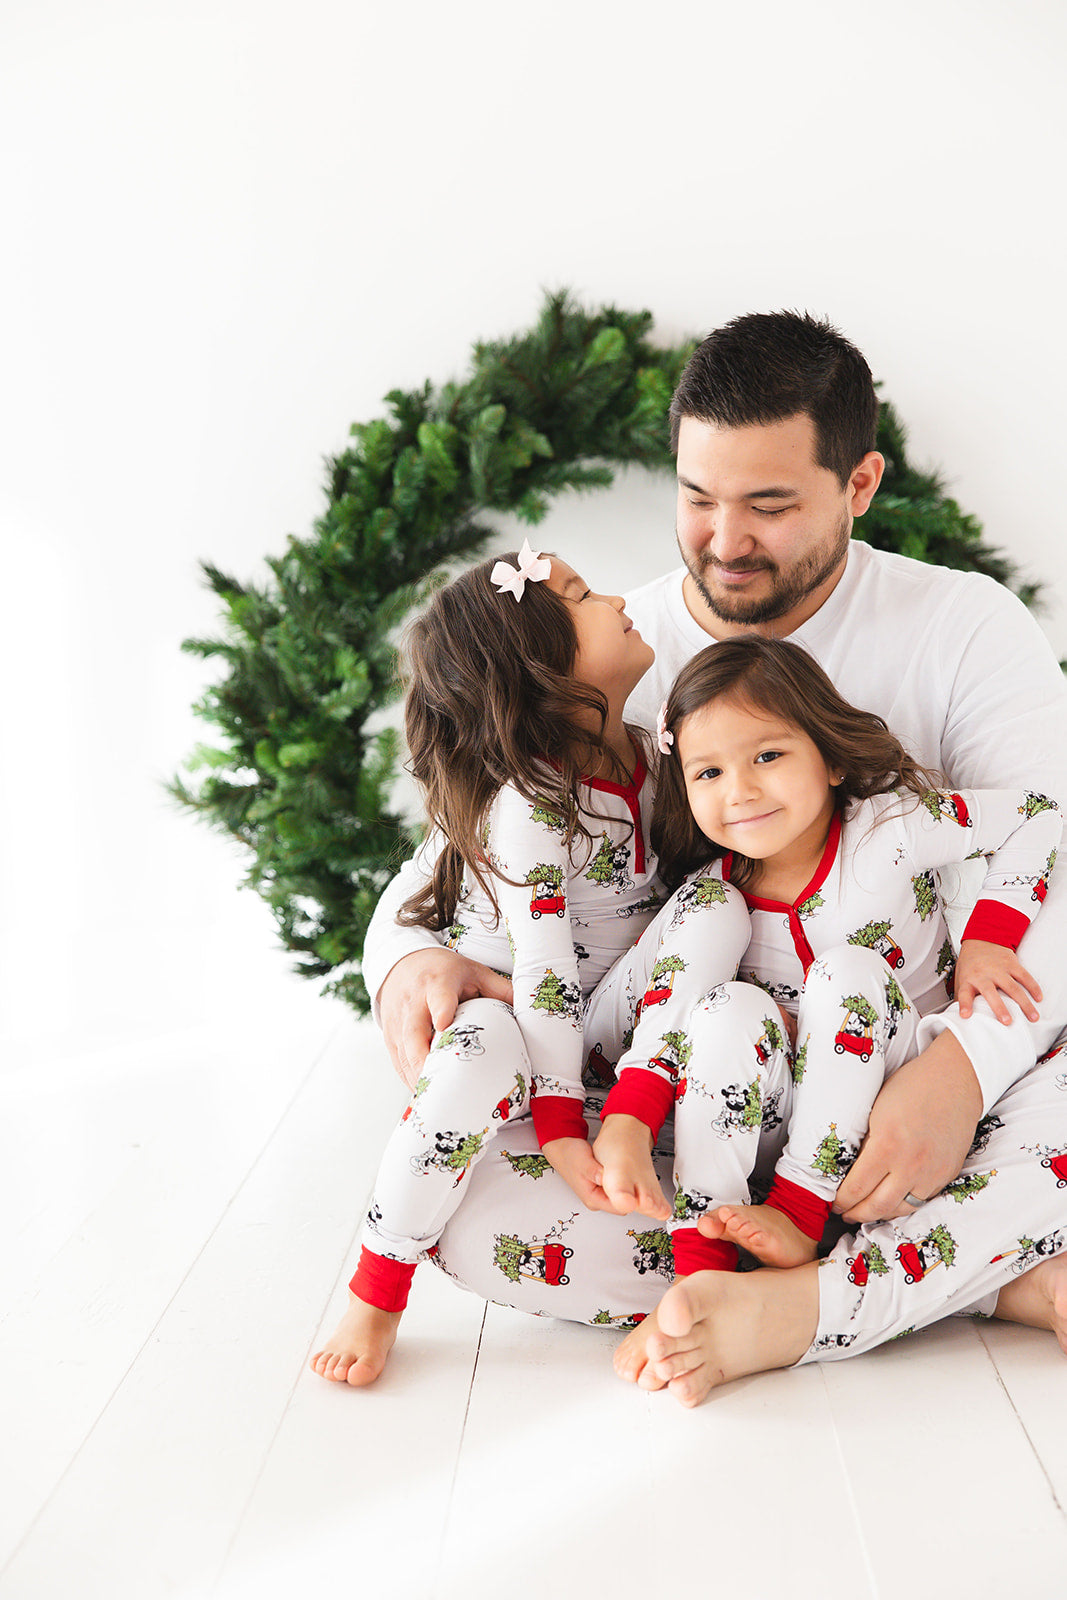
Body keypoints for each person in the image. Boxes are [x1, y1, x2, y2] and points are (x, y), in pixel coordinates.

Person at [360, 311, 1067, 1401]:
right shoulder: (603, 652)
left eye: (769, 504)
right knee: (465, 1213)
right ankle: (957, 1272)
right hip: (702, 1094)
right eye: (697, 498)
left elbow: (1051, 845)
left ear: (859, 483)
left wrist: (957, 1075)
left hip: (916, 1049)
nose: (724, 538)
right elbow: (442, 865)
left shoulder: (960, 627)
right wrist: (410, 966)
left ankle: (796, 1300)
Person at [311, 541, 752, 1384]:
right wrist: (557, 1135)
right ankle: (377, 1283)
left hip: (608, 1026)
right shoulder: (529, 798)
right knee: (473, 1050)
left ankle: (663, 1153)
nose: (617, 598)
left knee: (717, 905)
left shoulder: (655, 759)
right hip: (516, 1007)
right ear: (541, 668)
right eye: (586, 596)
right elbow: (543, 969)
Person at [590, 635, 1059, 1336]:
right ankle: (702, 1256)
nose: (740, 790)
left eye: (767, 756)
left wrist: (989, 937)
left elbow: (1034, 816)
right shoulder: (707, 898)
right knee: (722, 1011)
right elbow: (646, 1016)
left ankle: (801, 1217)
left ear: (831, 757)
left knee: (847, 973)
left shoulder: (891, 831)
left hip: (903, 1098)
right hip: (779, 1124)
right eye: (708, 772)